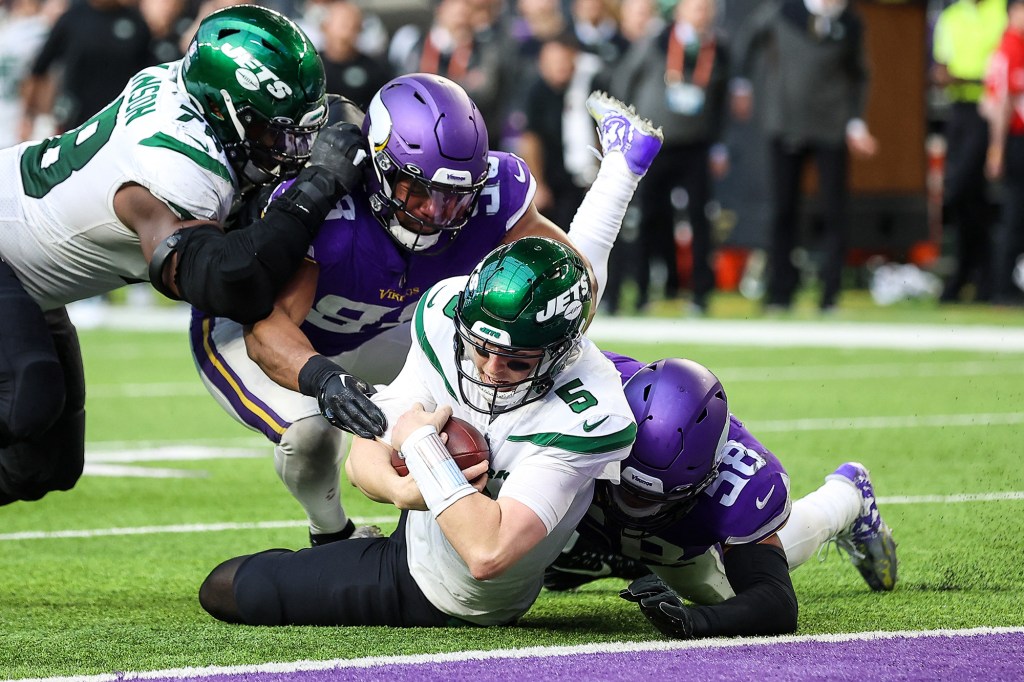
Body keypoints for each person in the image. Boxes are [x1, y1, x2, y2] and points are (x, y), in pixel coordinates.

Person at [190, 75, 665, 545]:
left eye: (455, 197)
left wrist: (614, 184)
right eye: (418, 192)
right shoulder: (336, 211)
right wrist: (323, 379)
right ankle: (331, 532)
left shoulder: (493, 196)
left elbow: (571, 281)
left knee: (520, 347)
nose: (436, 214)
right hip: (259, 334)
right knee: (312, 433)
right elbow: (266, 330)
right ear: (378, 167)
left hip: (379, 326)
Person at [0, 5, 368, 505]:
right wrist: (317, 186)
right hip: (10, 252)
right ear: (225, 110)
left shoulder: (185, 89)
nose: (290, 149)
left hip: (27, 269)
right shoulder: (176, 163)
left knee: (46, 466)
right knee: (27, 397)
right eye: (274, 131)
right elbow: (228, 282)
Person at [197, 237, 640, 627]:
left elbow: (487, 553)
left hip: (447, 592)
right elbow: (365, 450)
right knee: (226, 582)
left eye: (517, 361)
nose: (490, 370)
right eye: (479, 349)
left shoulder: (593, 413)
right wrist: (401, 492)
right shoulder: (446, 312)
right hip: (419, 526)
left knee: (231, 589)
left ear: (561, 352)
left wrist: (420, 444)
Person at [545, 356, 899, 638]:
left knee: (723, 591)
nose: (632, 506)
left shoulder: (740, 481)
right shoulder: (585, 390)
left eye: (649, 499)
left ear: (708, 476)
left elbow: (774, 601)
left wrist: (696, 621)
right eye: (628, 489)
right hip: (588, 493)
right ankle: (606, 554)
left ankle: (847, 496)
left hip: (680, 546)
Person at [733, 0, 878, 313]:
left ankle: (830, 295)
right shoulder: (782, 13)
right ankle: (780, 293)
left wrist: (855, 121)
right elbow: (746, 41)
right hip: (787, 123)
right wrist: (742, 84)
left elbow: (860, 74)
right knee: (783, 209)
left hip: (831, 125)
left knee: (834, 210)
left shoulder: (849, 22)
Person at [611, 0, 733, 315]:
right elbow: (625, 81)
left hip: (695, 143)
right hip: (654, 143)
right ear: (679, 11)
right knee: (646, 215)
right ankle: (640, 291)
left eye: (706, 7)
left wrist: (719, 143)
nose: (701, 13)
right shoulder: (655, 41)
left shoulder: (718, 47)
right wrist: (628, 128)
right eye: (695, 7)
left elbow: (721, 99)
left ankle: (700, 294)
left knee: (699, 218)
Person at [932, 0, 1006, 304]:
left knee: (964, 188)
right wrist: (947, 76)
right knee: (965, 195)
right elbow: (941, 66)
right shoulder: (952, 15)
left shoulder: (1001, 11)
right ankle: (979, 272)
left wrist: (973, 78)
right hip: (959, 110)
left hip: (990, 109)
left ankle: (975, 273)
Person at [982, 0, 1024, 306]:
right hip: (1016, 138)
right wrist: (996, 148)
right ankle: (1003, 285)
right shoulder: (1010, 48)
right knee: (1014, 214)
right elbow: (1000, 103)